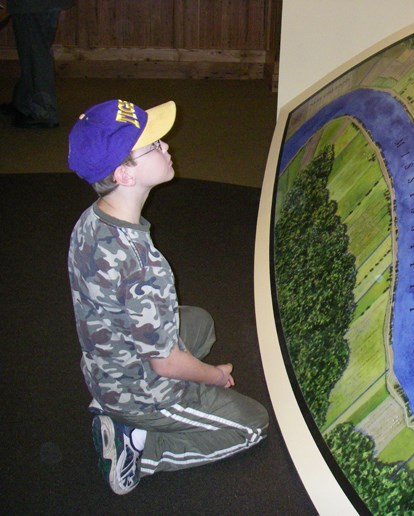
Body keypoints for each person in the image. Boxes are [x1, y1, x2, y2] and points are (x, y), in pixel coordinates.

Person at [67, 99, 268, 495]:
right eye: (154, 145)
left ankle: (109, 405)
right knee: (253, 425)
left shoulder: (90, 219)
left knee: (200, 322)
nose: (166, 146)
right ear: (124, 174)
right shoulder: (143, 264)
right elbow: (165, 364)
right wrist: (215, 376)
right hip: (141, 391)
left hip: (105, 364)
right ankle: (141, 451)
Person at [3, 0, 75, 128]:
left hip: (32, 5)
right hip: (44, 4)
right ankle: (23, 102)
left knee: (35, 54)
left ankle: (44, 111)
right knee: (35, 52)